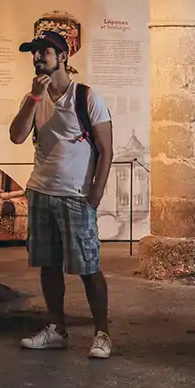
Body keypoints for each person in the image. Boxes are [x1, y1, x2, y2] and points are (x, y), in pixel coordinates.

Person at [8, 31, 114, 358]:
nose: (38, 58)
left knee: (88, 266)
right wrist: (33, 99)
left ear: (64, 56)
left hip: (76, 195)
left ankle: (102, 333)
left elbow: (106, 151)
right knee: (48, 265)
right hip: (41, 192)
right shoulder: (33, 98)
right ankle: (57, 328)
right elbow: (16, 136)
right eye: (34, 54)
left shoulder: (87, 98)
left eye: (45, 53)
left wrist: (95, 194)